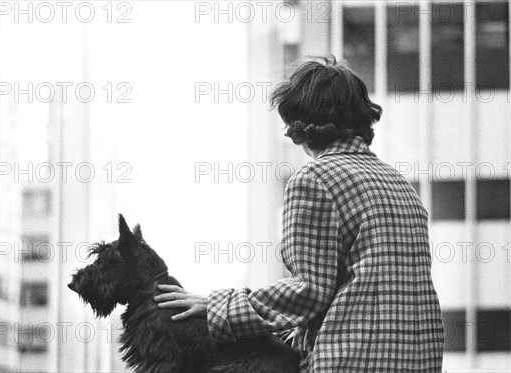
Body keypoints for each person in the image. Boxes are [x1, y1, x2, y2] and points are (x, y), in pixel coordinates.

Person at [154, 56, 444, 372]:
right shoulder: (397, 183)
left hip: (350, 362)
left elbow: (308, 291)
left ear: (300, 125)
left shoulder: (315, 178)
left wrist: (217, 308)